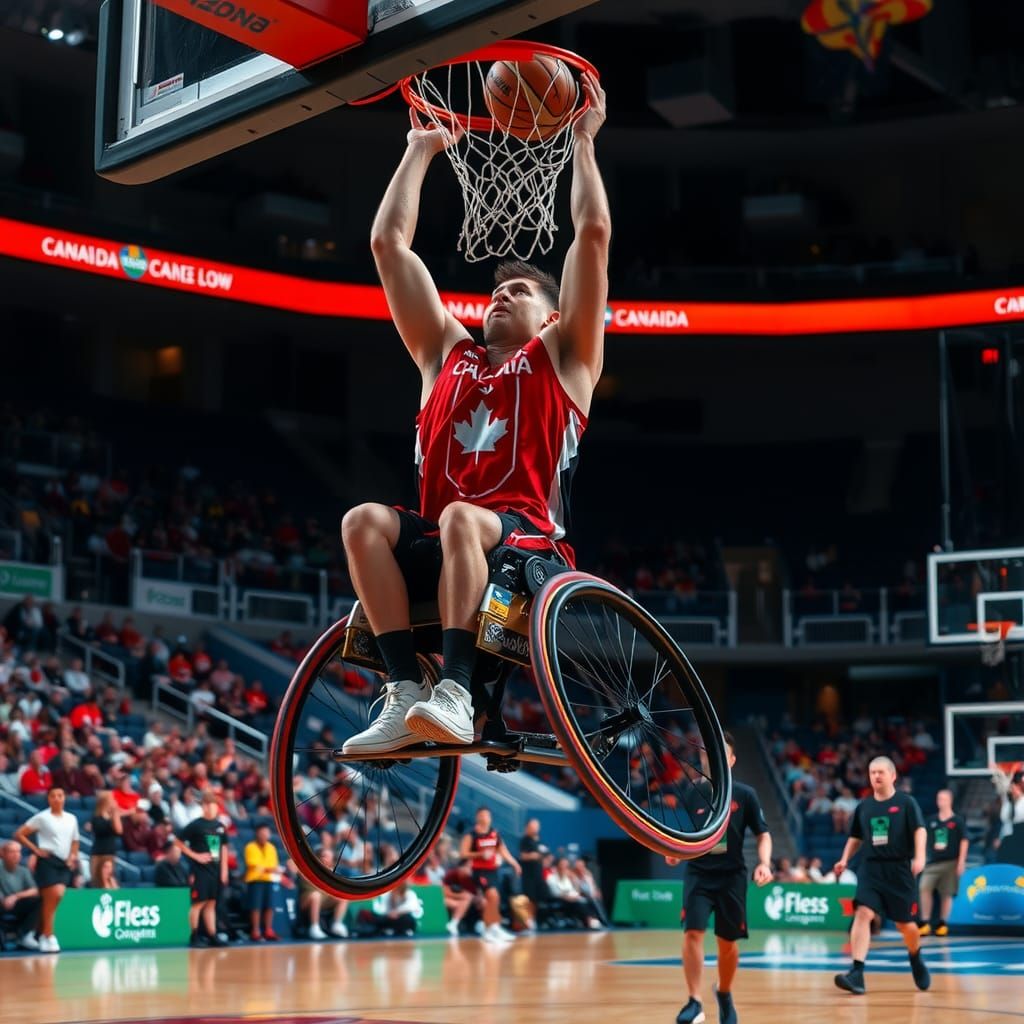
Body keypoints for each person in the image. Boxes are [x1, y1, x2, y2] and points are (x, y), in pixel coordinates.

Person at [340, 71, 609, 757]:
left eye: (518, 290)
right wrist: (421, 149)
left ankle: (456, 692)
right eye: (496, 288)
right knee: (363, 520)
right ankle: (406, 692)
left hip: (526, 547)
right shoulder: (446, 356)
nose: (500, 294)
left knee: (463, 517)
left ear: (551, 316)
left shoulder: (567, 357)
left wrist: (582, 143)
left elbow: (594, 233)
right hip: (448, 543)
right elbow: (387, 249)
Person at [670, 732, 773, 1024]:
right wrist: (675, 851)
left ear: (731, 760)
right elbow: (682, 836)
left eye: (718, 752)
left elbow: (763, 834)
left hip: (732, 877)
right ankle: (694, 1002)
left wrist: (764, 863)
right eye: (706, 752)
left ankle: (724, 993)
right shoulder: (689, 792)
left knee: (727, 943)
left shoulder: (745, 795)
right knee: (693, 932)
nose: (711, 757)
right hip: (699, 874)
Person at [833, 756, 930, 995]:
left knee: (905, 925)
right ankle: (856, 972)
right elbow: (855, 837)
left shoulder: (906, 803)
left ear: (893, 776)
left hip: (899, 870)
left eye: (881, 772)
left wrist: (919, 857)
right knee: (863, 912)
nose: (876, 776)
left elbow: (920, 830)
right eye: (872, 772)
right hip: (871, 868)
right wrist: (845, 859)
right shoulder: (864, 807)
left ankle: (915, 956)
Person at [13, 786, 80, 952]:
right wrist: (35, 850)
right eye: (53, 796)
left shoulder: (72, 818)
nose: (57, 798)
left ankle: (39, 934)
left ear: (64, 798)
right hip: (48, 860)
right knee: (53, 896)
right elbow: (19, 834)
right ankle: (49, 935)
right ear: (48, 799)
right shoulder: (42, 818)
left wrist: (72, 856)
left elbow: (75, 840)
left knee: (56, 899)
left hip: (64, 863)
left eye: (60, 795)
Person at [460, 807, 521, 943]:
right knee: (492, 895)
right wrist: (480, 854)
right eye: (482, 816)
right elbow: (463, 853)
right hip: (479, 870)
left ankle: (494, 927)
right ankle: (488, 930)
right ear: (477, 817)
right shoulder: (471, 834)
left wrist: (514, 863)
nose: (485, 818)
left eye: (487, 816)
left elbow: (503, 851)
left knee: (495, 898)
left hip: (492, 870)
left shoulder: (494, 833)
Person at [175, 791, 228, 947]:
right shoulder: (196, 825)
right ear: (204, 807)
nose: (214, 808)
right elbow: (178, 842)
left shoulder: (220, 826)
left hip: (215, 870)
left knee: (211, 903)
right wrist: (196, 856)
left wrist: (224, 870)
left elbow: (223, 848)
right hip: (200, 870)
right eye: (211, 805)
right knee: (198, 903)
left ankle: (212, 935)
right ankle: (194, 935)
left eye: (215, 806)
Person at [918, 788, 969, 937]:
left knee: (946, 893)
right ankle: (925, 922)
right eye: (939, 798)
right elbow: (922, 837)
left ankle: (942, 924)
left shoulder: (957, 821)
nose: (940, 801)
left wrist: (961, 862)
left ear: (950, 801)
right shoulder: (931, 820)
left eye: (944, 799)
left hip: (950, 862)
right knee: (924, 887)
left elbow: (964, 841)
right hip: (932, 862)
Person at [297, 847, 349, 940]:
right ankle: (314, 927)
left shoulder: (333, 872)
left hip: (324, 900)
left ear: (332, 860)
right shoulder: (308, 867)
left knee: (343, 896)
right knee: (316, 895)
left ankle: (337, 924)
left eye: (328, 857)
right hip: (306, 900)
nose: (325, 858)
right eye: (324, 856)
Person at [244, 823, 282, 942]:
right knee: (256, 906)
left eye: (267, 833)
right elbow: (254, 865)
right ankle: (255, 931)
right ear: (257, 834)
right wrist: (269, 869)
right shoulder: (250, 847)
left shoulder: (271, 848)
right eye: (262, 833)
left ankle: (268, 930)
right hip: (255, 880)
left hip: (269, 880)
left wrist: (267, 869)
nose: (264, 835)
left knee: (270, 906)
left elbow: (273, 865)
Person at [0, 840, 40, 950]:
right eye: (12, 852)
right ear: (2, 853)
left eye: (18, 852)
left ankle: (24, 935)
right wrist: (3, 899)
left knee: (38, 900)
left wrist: (15, 896)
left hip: (16, 903)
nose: (16, 855)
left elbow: (34, 890)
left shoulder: (23, 870)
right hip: (1, 904)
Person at [88, 790, 122, 889]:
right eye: (112, 799)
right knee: (97, 881)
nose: (114, 801)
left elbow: (119, 830)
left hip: (110, 853)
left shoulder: (112, 817)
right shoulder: (96, 818)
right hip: (99, 854)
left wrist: (115, 812)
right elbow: (102, 830)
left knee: (110, 880)